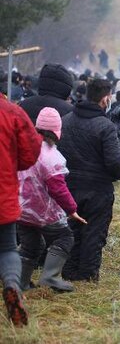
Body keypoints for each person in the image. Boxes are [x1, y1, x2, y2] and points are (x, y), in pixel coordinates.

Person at [58, 80, 120, 281]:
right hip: (98, 190)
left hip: (69, 187)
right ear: (105, 99)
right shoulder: (106, 126)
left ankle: (68, 271)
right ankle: (87, 275)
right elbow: (115, 163)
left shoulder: (65, 120)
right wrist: (116, 175)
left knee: (72, 230)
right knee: (94, 233)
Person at [17, 108, 87, 293]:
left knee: (31, 244)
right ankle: (50, 277)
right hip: (42, 212)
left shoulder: (23, 146)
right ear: (57, 131)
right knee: (64, 237)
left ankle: (21, 282)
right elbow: (58, 189)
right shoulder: (51, 157)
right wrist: (72, 209)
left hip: (21, 209)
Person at [0, 96, 41, 326]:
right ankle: (13, 286)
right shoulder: (11, 111)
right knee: (6, 249)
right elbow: (30, 152)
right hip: (2, 194)